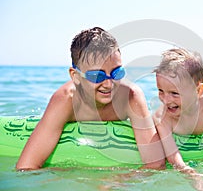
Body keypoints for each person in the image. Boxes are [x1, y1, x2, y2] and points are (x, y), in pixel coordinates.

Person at [16, 27, 165, 170]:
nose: (108, 84)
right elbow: (26, 166)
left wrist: (120, 180)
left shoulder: (130, 97)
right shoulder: (67, 99)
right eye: (97, 76)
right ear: (76, 77)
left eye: (116, 73)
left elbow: (156, 164)